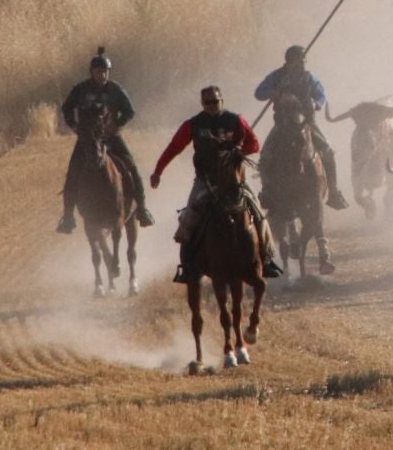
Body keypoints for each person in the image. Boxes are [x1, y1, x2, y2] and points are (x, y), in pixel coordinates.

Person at [149, 85, 282, 282]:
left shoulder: (236, 120)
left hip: (235, 181)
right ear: (202, 104)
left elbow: (254, 144)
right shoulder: (193, 124)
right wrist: (158, 171)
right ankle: (187, 267)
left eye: (216, 101)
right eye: (208, 102)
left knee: (258, 215)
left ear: (222, 101)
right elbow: (174, 148)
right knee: (188, 219)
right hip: (206, 181)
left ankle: (267, 258)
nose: (212, 105)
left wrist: (236, 150)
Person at [57, 48, 151, 233]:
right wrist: (74, 126)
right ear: (91, 72)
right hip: (87, 139)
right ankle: (68, 217)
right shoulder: (81, 89)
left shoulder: (115, 89)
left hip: (111, 137)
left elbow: (129, 111)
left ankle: (141, 209)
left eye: (105, 71)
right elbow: (67, 108)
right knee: (73, 173)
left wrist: (116, 125)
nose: (103, 74)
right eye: (99, 71)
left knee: (131, 168)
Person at [253, 46, 350, 209]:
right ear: (290, 62)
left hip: (308, 123)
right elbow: (259, 93)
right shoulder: (276, 77)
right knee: (266, 155)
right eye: (299, 62)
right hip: (283, 123)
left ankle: (333, 191)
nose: (303, 65)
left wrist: (316, 103)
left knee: (328, 151)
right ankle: (267, 191)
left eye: (304, 61)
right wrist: (275, 93)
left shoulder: (309, 77)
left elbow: (321, 95)